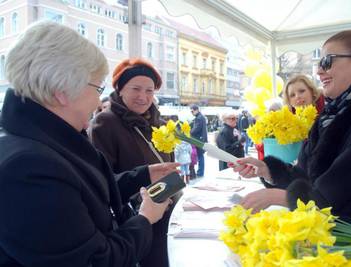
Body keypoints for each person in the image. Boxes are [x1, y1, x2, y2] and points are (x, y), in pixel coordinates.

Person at [0, 21, 180, 267]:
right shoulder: (28, 168)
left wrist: (142, 175)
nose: (99, 100)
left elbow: (84, 192)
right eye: (97, 87)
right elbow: (96, 260)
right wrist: (145, 219)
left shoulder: (49, 139)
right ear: (62, 91)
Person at [230, 30, 351, 243]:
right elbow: (307, 178)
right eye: (319, 62)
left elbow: (337, 196)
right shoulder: (330, 117)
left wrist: (278, 197)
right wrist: (268, 170)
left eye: (327, 61)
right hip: (334, 238)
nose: (319, 71)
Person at [90, 58, 176, 267]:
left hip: (169, 208)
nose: (143, 97)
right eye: (136, 89)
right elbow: (103, 181)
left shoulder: (158, 121)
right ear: (120, 89)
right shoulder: (105, 123)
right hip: (136, 218)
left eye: (149, 91)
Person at [190, 104, 208, 177]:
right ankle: (200, 172)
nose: (192, 113)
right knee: (200, 156)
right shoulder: (200, 117)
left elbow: (196, 129)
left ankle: (200, 173)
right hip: (201, 139)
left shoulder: (199, 118)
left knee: (200, 156)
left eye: (192, 111)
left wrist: (189, 132)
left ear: (197, 110)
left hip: (199, 140)